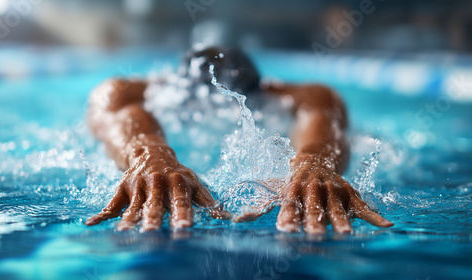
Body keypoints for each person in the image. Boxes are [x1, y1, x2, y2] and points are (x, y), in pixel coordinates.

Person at [84, 47, 394, 233]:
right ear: (168, 92)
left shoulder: (306, 95)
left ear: (266, 95)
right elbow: (117, 114)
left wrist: (314, 163)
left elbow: (322, 120)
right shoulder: (125, 91)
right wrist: (149, 156)